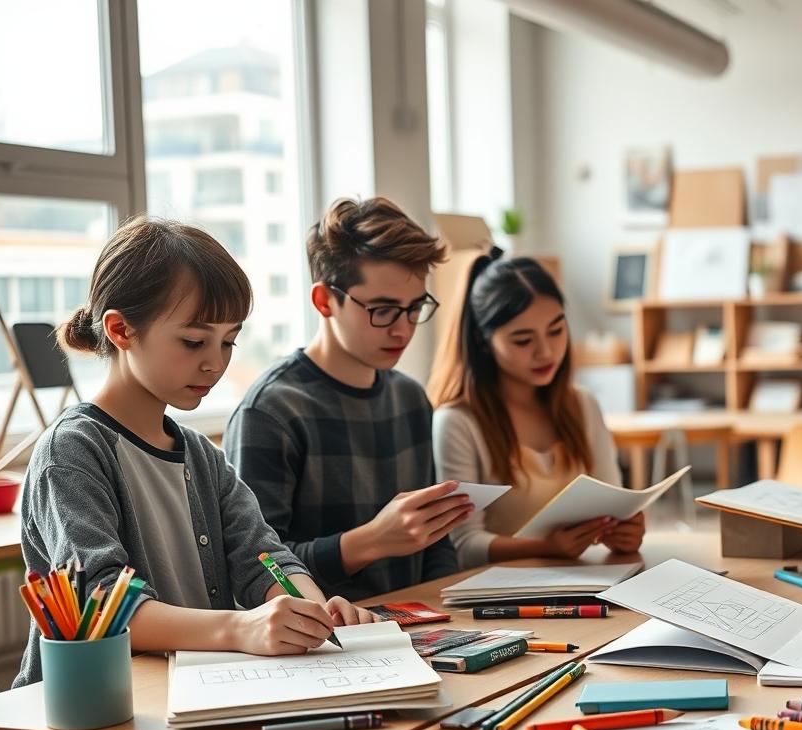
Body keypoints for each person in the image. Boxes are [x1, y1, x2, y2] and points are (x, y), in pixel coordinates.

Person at [14, 218, 374, 687]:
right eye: (193, 341)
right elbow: (101, 605)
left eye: (228, 342)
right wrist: (239, 627)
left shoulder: (201, 455)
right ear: (121, 331)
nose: (215, 363)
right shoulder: (72, 452)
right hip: (95, 718)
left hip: (188, 698)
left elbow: (262, 556)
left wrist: (312, 608)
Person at [224, 197, 468, 602]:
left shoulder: (410, 397)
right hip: (326, 646)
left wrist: (449, 604)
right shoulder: (271, 410)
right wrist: (369, 541)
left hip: (423, 628)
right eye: (383, 310)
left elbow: (436, 543)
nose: (403, 330)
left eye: (414, 308)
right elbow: (258, 566)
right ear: (324, 301)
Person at [430, 255, 637, 569]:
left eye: (556, 331)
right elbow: (464, 545)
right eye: (523, 340)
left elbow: (614, 506)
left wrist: (626, 532)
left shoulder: (583, 405)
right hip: (502, 596)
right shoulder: (458, 421)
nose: (546, 351)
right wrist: (545, 547)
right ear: (483, 341)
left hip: (586, 583)